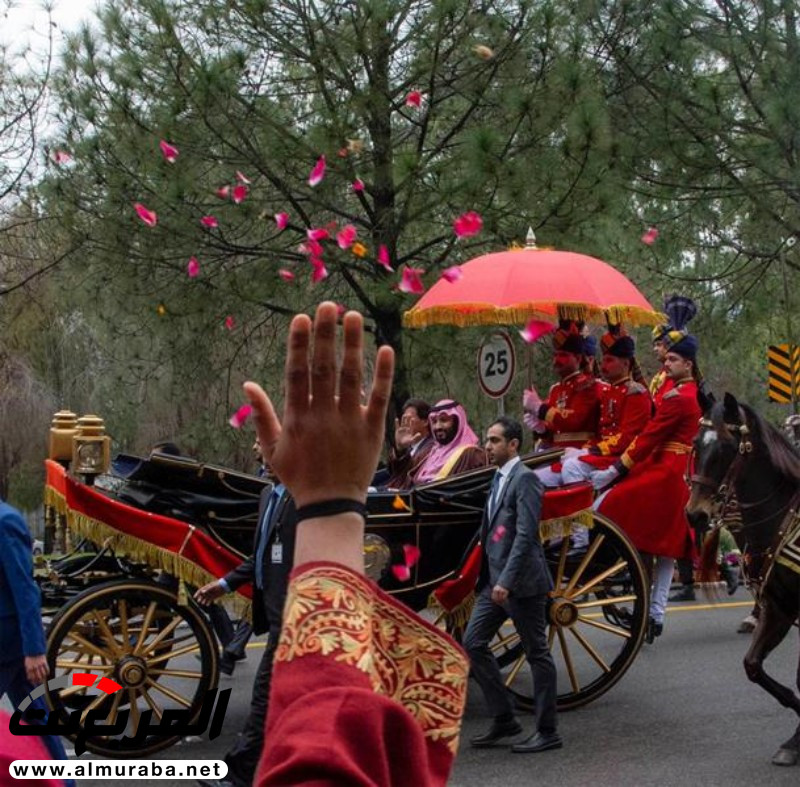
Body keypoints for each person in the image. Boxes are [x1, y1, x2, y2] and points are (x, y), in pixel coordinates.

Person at [237, 302, 467, 785]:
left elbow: (324, 729)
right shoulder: (419, 451)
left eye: (441, 420)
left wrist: (326, 504)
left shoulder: (462, 454)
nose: (439, 426)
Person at [591, 327, 702, 642]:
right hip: (672, 470)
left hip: (665, 473)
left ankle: (649, 611)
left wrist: (615, 470)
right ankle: (655, 615)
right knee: (664, 551)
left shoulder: (679, 397)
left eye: (673, 359)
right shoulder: (679, 390)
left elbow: (650, 434)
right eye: (666, 358)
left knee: (610, 505)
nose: (666, 364)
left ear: (689, 364)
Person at [463, 416, 560, 754]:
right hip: (495, 582)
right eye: (488, 441)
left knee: (537, 653)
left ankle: (547, 730)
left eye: (494, 441)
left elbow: (524, 535)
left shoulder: (526, 480)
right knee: (473, 642)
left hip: (522, 583)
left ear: (513, 445)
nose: (487, 447)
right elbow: (493, 530)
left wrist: (505, 579)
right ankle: (505, 718)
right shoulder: (499, 478)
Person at [195, 472, 298, 787]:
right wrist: (225, 584)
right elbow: (263, 555)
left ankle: (237, 776)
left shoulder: (302, 496)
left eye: (264, 442)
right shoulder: (269, 495)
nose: (256, 447)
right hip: (273, 612)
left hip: (293, 617)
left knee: (264, 697)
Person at [0, 498, 74, 786]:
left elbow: (25, 589)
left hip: (7, 643)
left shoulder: (5, 522)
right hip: (11, 643)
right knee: (37, 718)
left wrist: (34, 649)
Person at [561, 325, 652, 485]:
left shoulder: (636, 392)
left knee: (571, 468)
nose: (603, 366)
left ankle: (582, 510)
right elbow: (599, 433)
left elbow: (627, 438)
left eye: (609, 360)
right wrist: (585, 448)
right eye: (603, 360)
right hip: (605, 454)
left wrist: (588, 451)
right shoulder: (608, 391)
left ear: (625, 363)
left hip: (621, 458)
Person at [523, 320, 602, 487]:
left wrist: (540, 408)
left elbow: (575, 420)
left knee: (531, 481)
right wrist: (542, 428)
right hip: (554, 456)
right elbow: (554, 433)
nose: (557, 360)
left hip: (578, 454)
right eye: (555, 355)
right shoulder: (556, 390)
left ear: (578, 358)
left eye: (563, 355)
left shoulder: (589, 385)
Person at [413, 399, 487, 483]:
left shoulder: (472, 454)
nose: (438, 427)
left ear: (457, 422)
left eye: (444, 420)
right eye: (434, 421)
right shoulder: (429, 454)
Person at [383, 398, 434, 489]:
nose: (406, 423)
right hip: (393, 487)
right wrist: (400, 448)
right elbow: (392, 471)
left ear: (425, 421)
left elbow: (409, 472)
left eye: (409, 418)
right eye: (404, 418)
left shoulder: (432, 448)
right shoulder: (409, 447)